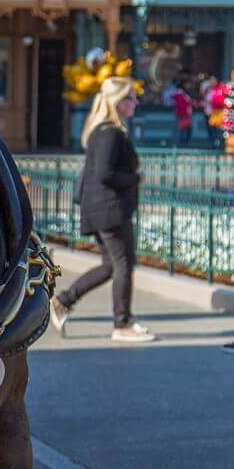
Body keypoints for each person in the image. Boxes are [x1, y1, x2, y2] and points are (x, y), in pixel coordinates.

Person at [50, 77, 155, 345]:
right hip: (110, 209)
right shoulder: (110, 133)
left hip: (102, 209)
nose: (136, 102)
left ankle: (63, 301)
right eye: (131, 97)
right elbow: (105, 173)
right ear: (119, 102)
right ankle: (123, 324)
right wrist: (136, 178)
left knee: (111, 265)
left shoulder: (103, 130)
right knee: (123, 266)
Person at [173, 79, 194, 146]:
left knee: (186, 129)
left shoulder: (184, 93)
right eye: (187, 84)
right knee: (181, 130)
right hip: (183, 115)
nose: (188, 86)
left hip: (185, 115)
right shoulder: (180, 93)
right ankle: (181, 143)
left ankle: (183, 142)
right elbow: (181, 105)